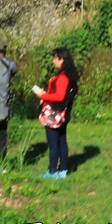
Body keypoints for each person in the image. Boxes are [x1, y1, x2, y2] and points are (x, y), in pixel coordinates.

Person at [34, 46, 79, 179]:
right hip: (64, 113)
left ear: (62, 59)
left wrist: (43, 95)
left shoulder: (63, 77)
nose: (54, 61)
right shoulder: (71, 76)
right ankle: (63, 170)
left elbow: (59, 96)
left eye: (55, 58)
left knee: (53, 144)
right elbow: (72, 92)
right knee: (62, 141)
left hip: (55, 114)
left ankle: (52, 171)